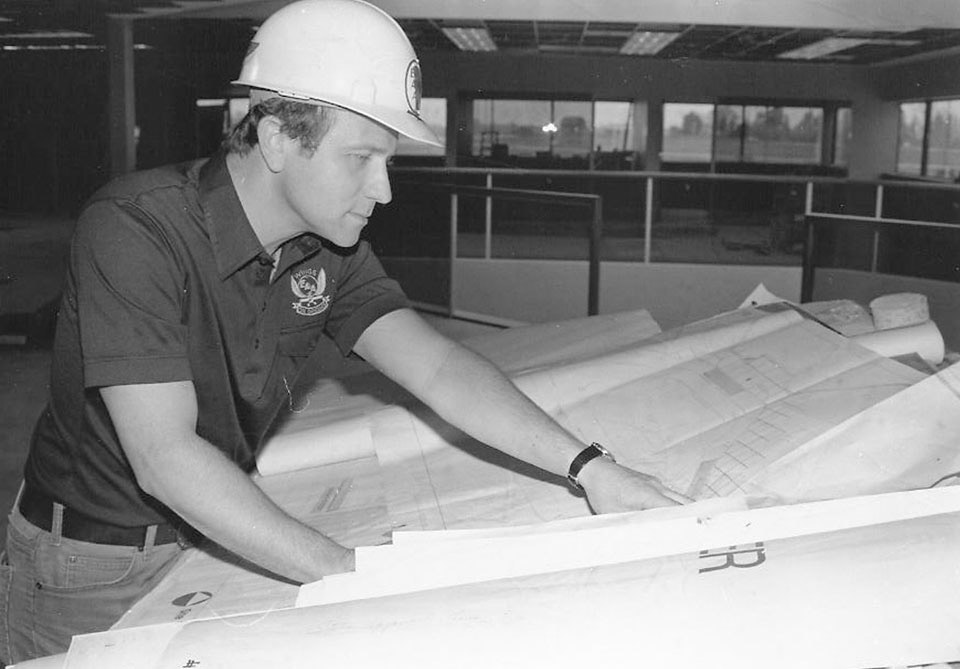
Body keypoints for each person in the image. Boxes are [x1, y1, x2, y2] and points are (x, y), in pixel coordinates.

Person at [0, 0, 688, 662]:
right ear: (277, 137)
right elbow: (165, 456)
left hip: (212, 535)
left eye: (388, 159)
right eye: (360, 158)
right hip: (89, 568)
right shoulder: (134, 229)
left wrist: (591, 469)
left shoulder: (327, 245)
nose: (383, 190)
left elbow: (439, 367)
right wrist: (352, 573)